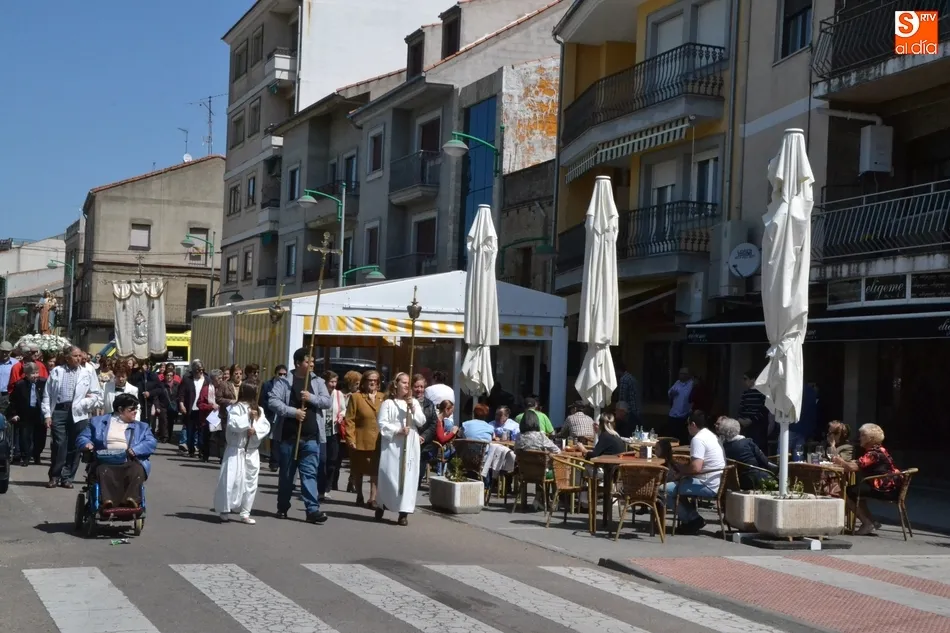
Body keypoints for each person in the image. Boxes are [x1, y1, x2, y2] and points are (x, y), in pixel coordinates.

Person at [268, 348, 331, 524]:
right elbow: (273, 401)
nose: (312, 364)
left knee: (309, 474)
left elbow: (327, 402)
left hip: (311, 437)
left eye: (313, 361)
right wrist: (293, 412)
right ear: (297, 363)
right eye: (307, 361)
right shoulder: (284, 382)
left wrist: (311, 398)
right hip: (289, 437)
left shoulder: (318, 382)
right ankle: (282, 506)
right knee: (287, 475)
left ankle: (312, 510)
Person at [77, 393, 156, 509]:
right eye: (131, 409)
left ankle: (131, 500)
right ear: (120, 409)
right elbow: (82, 437)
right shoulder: (97, 422)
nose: (135, 411)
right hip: (104, 460)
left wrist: (136, 450)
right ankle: (106, 500)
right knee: (102, 470)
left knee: (137, 470)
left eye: (137, 408)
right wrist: (86, 444)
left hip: (129, 459)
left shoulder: (142, 427)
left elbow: (151, 442)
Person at [41, 345, 103, 489]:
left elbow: (96, 394)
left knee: (75, 446)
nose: (79, 358)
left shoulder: (88, 372)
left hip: (79, 412)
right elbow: (47, 394)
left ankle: (67, 477)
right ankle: (55, 476)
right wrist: (47, 415)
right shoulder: (57, 371)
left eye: (80, 356)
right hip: (59, 411)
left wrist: (85, 402)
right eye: (75, 356)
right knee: (59, 444)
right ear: (67, 358)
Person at [214, 382, 271, 524]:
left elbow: (265, 425)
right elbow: (233, 424)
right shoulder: (235, 408)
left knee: (250, 483)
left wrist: (255, 429)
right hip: (236, 450)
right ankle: (225, 509)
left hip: (251, 452)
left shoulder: (259, 410)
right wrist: (247, 419)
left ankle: (245, 512)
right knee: (231, 481)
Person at [375, 372, 426, 526]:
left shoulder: (414, 402)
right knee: (390, 475)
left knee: (408, 477)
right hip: (393, 444)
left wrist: (412, 407)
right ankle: (383, 503)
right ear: (396, 384)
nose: (406, 385)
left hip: (410, 443)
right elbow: (382, 423)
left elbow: (421, 421)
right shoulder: (388, 403)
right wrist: (397, 430)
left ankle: (404, 512)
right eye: (403, 382)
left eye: (408, 383)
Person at [663, 410, 725, 535]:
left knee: (663, 490)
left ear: (693, 424)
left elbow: (696, 468)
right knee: (676, 486)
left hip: (705, 484)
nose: (687, 428)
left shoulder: (698, 439)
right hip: (713, 480)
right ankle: (692, 518)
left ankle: (693, 520)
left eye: (688, 425)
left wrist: (681, 471)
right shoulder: (711, 435)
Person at [833, 423, 901, 536]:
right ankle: (871, 522)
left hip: (885, 490)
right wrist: (848, 462)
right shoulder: (879, 450)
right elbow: (860, 463)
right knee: (855, 490)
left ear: (870, 438)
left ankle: (867, 523)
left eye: (862, 435)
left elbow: (852, 468)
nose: (859, 438)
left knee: (847, 492)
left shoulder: (873, 454)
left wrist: (840, 461)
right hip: (892, 488)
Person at [344, 369, 385, 509]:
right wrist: (350, 438)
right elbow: (349, 419)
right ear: (364, 382)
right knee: (358, 469)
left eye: (375, 380)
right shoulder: (356, 397)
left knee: (375, 470)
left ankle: (372, 498)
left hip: (378, 439)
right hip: (360, 438)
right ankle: (359, 494)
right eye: (369, 380)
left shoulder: (383, 397)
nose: (372, 382)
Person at [6, 362, 45, 467]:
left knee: (39, 436)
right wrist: (14, 414)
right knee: (25, 437)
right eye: (33, 373)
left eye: (37, 373)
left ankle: (36, 455)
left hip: (39, 413)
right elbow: (13, 401)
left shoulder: (43, 383)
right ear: (26, 374)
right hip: (25, 413)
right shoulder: (20, 385)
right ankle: (26, 457)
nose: (35, 375)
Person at [719, 416, 774, 490]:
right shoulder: (747, 442)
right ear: (738, 429)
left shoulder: (724, 447)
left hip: (741, 481)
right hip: (756, 479)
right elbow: (763, 460)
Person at [177, 359, 216, 459]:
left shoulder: (207, 380)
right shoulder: (187, 379)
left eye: (202, 370)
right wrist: (181, 404)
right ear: (194, 370)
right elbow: (181, 393)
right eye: (198, 370)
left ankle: (200, 450)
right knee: (190, 431)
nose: (200, 372)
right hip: (191, 409)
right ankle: (191, 449)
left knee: (202, 431)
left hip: (203, 409)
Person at [260, 365, 288, 471]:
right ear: (275, 374)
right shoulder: (268, 385)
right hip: (271, 415)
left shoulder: (288, 385)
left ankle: (279, 462)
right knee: (273, 439)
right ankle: (274, 463)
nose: (282, 376)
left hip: (283, 416)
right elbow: (263, 400)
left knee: (281, 440)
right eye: (280, 374)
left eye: (284, 374)